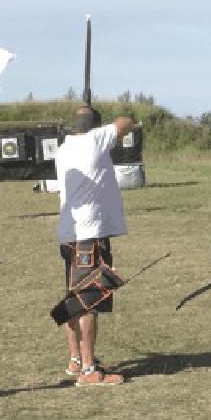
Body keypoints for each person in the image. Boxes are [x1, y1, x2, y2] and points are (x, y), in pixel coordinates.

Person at [56, 106, 135, 386]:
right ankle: (89, 370)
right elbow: (127, 122)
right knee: (89, 298)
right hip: (89, 234)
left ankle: (76, 360)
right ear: (94, 128)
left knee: (73, 297)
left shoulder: (64, 148)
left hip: (70, 233)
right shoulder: (93, 140)